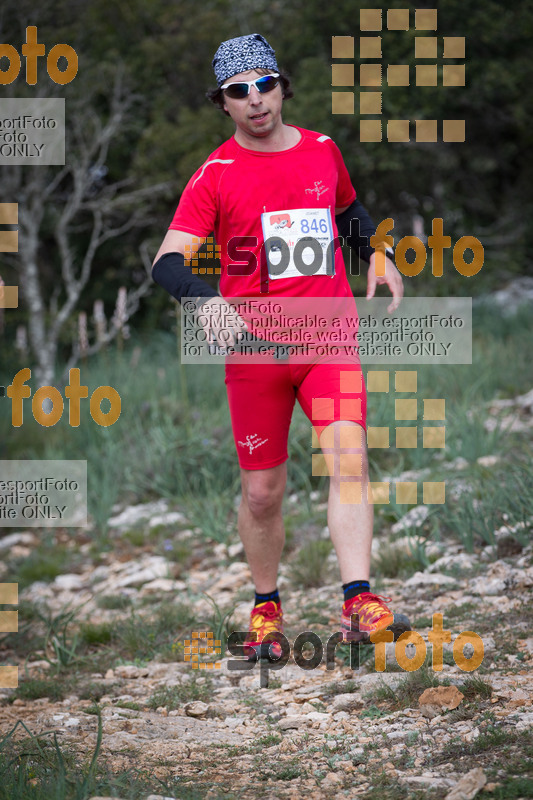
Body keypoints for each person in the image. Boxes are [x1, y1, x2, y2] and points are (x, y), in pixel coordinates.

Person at [152, 33, 411, 660]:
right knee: (262, 495)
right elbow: (166, 262)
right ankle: (266, 608)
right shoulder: (214, 175)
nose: (255, 99)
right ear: (224, 103)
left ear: (281, 86)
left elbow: (348, 211)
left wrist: (375, 251)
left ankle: (360, 601)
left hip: (328, 337)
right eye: (239, 91)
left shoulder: (323, 150)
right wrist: (204, 298)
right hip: (255, 350)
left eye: (264, 84)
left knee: (348, 456)